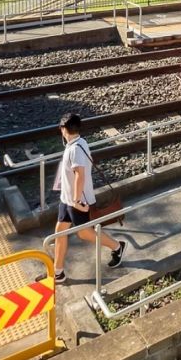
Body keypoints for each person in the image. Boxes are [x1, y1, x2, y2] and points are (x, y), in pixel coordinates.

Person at [52, 113, 126, 284]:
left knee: (85, 234)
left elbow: (80, 175)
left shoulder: (75, 149)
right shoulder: (79, 142)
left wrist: (77, 200)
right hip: (67, 199)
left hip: (77, 201)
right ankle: (58, 272)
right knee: (60, 232)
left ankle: (117, 246)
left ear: (63, 129)